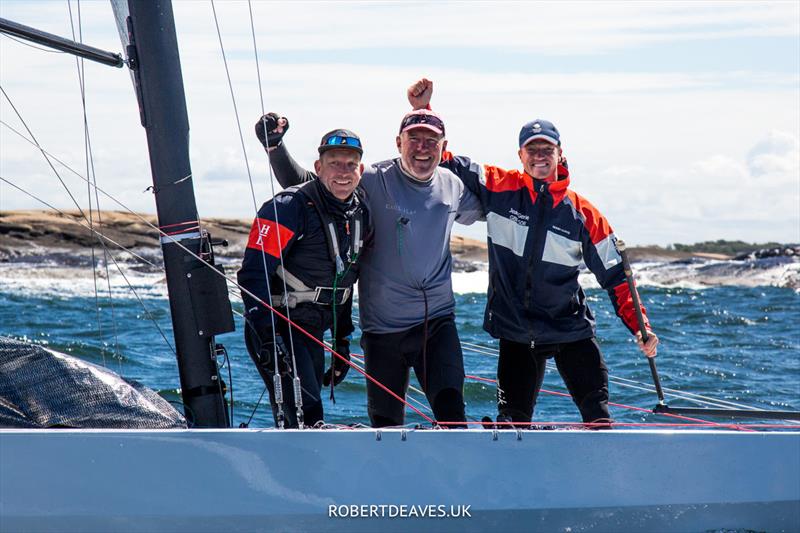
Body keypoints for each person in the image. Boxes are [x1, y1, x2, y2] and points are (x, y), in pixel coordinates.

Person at [408, 79, 659, 428]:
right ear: (520, 155)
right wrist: (423, 110)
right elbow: (445, 160)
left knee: (599, 421)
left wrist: (640, 327)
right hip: (516, 334)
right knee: (512, 425)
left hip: (570, 330)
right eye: (532, 150)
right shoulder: (500, 186)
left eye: (547, 150)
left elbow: (617, 278)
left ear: (560, 154)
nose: (540, 157)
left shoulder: (583, 213)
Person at [255, 104, 484, 428]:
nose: (422, 148)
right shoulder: (372, 179)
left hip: (436, 324)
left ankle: (457, 477)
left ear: (443, 148)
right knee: (385, 427)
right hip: (382, 331)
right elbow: (312, 185)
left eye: (431, 142)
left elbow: (496, 209)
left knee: (452, 415)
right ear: (397, 142)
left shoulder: (453, 185)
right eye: (413, 139)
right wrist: (276, 149)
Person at [238, 122, 371, 428]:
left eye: (351, 164)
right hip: (279, 325)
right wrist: (268, 337)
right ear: (318, 167)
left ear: (360, 170)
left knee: (311, 415)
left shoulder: (359, 212)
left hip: (315, 327)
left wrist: (341, 341)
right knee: (304, 412)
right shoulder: (287, 206)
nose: (343, 171)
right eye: (334, 162)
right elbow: (252, 274)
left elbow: (345, 280)